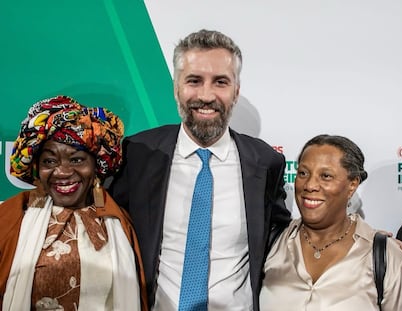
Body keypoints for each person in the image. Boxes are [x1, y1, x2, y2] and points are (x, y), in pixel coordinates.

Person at [108, 29, 291, 310]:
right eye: (194, 81)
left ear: (236, 91)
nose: (206, 95)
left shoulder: (265, 162)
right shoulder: (138, 154)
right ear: (176, 87)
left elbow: (282, 235)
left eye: (220, 82)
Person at [0, 95, 148, 311]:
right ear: (37, 169)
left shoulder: (119, 222)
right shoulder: (13, 217)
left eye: (77, 159)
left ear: (96, 165)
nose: (63, 172)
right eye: (49, 161)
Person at [260, 134, 402, 310]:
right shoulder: (269, 243)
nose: (310, 185)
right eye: (303, 173)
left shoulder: (387, 257)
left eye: (325, 176)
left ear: (352, 184)